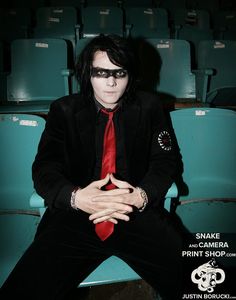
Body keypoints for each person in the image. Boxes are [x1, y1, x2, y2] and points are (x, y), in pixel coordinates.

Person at [0, 34, 185, 299]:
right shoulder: (63, 110)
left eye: (119, 73)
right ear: (88, 74)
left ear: (130, 75)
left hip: (134, 210)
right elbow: (44, 169)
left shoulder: (150, 106)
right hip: (75, 214)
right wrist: (76, 197)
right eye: (101, 72)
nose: (110, 82)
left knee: (209, 283)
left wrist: (141, 196)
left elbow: (165, 161)